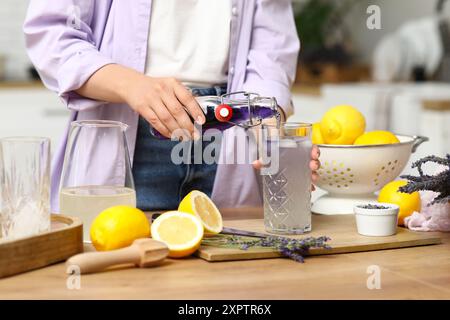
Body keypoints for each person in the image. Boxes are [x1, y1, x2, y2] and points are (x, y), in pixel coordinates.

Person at [24, 0, 320, 212]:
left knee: (233, 277)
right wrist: (134, 86)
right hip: (134, 133)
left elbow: (271, 49)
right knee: (119, 278)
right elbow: (53, 34)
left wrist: (268, 129)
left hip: (231, 137)